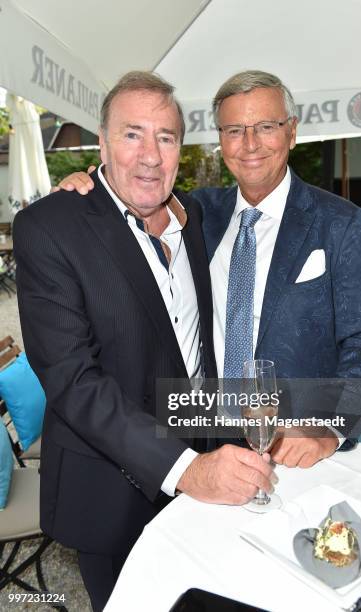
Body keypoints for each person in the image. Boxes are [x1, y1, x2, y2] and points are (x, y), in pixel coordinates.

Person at [14, 71, 275, 612]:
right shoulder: (49, 227)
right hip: (112, 493)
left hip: (208, 458)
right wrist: (186, 469)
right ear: (103, 143)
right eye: (132, 134)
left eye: (166, 137)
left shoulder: (195, 216)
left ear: (182, 148)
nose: (150, 155)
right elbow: (73, 381)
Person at [57, 70, 361, 469]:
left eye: (266, 127)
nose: (250, 144)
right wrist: (88, 189)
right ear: (220, 139)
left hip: (298, 448)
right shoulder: (198, 213)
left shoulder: (342, 223)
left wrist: (328, 428)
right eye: (234, 130)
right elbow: (132, 194)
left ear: (291, 132)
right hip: (202, 440)